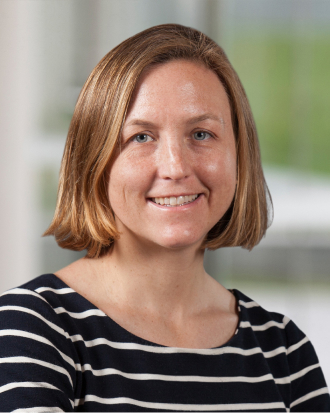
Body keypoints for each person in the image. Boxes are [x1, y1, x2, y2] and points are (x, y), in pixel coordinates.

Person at [0, 24, 329, 412]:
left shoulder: (283, 351)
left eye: (202, 134)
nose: (175, 167)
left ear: (239, 155)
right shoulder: (32, 330)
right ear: (95, 161)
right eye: (141, 137)